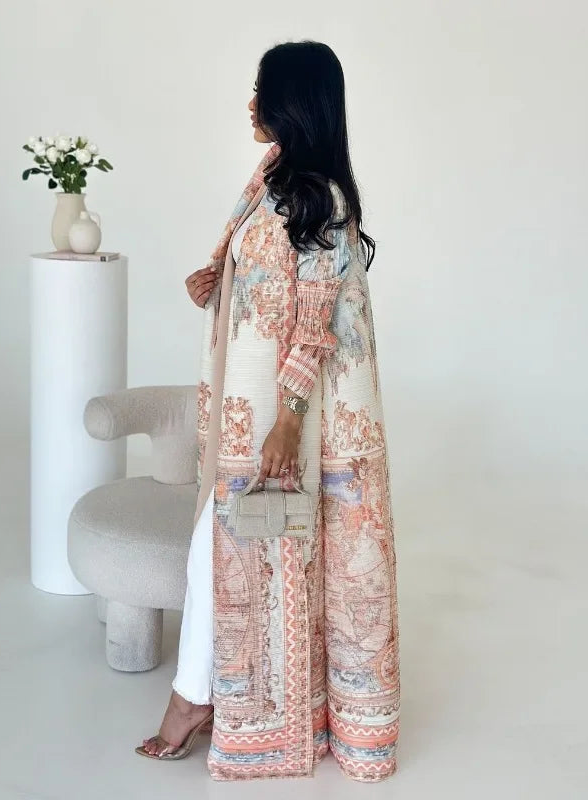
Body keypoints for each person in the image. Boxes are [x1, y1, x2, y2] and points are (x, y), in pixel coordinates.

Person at [137, 40, 399, 782]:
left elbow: (315, 320)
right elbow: (268, 273)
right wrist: (217, 280)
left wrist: (287, 418)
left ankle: (196, 703)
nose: (251, 104)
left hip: (287, 414)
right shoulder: (273, 178)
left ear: (294, 101)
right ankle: (210, 696)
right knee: (226, 549)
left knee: (230, 548)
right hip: (251, 406)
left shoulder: (320, 195)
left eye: (262, 90)